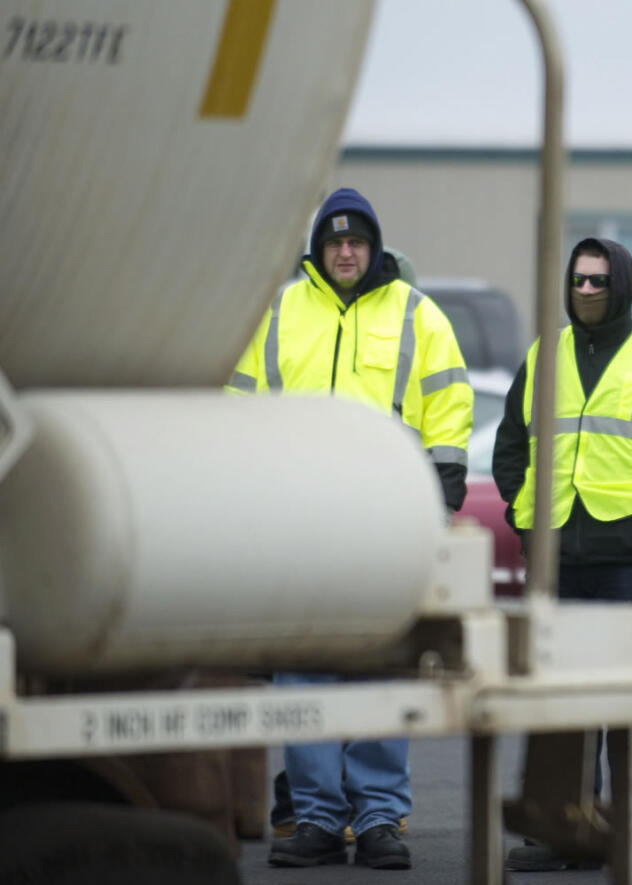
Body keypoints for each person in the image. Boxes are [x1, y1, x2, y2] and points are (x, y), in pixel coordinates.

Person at [227, 187, 473, 869]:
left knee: (381, 669)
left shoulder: (418, 315)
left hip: (387, 522)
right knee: (301, 672)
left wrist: (441, 492)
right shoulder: (278, 310)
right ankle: (314, 817)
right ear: (317, 248)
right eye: (334, 241)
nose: (345, 251)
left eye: (356, 241)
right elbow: (237, 404)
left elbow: (450, 410)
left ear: (374, 247)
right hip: (299, 520)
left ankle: (378, 820)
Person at [492, 237, 632, 877]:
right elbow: (511, 447)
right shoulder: (545, 353)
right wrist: (523, 511)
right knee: (560, 707)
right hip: (558, 554)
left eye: (598, 281)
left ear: (619, 285)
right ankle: (564, 831)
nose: (586, 291)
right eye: (578, 280)